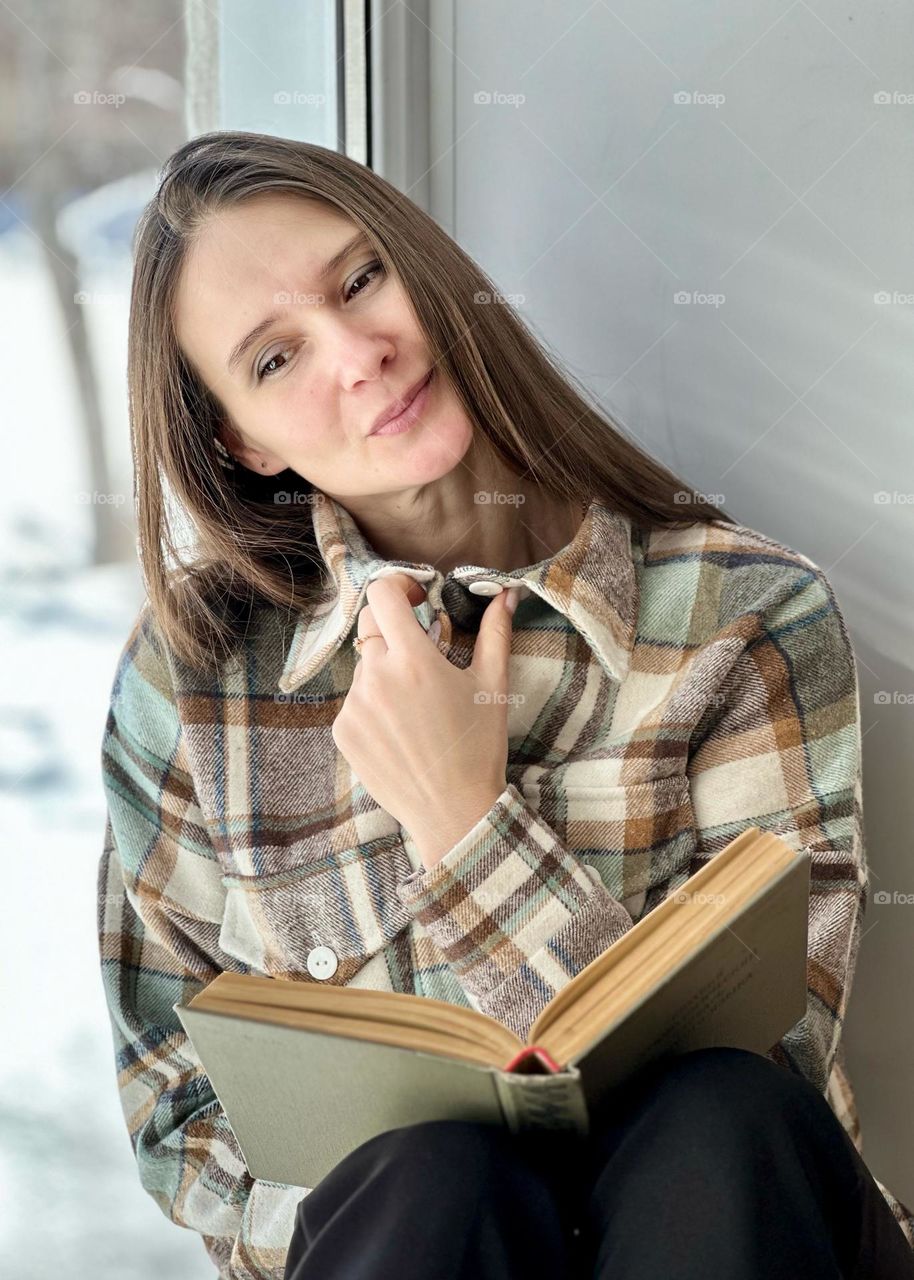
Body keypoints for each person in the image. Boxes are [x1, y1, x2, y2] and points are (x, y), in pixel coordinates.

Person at [96, 129, 914, 1279]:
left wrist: (466, 826)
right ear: (240, 437)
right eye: (274, 360)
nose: (357, 353)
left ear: (427, 270)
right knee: (428, 1175)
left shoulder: (744, 616)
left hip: (733, 1232)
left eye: (360, 279)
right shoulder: (196, 680)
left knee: (718, 1113)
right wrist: (449, 1216)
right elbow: (179, 1113)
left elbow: (777, 1068)